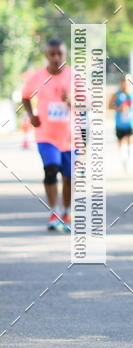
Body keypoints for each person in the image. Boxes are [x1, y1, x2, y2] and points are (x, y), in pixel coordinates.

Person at [21, 38, 73, 232]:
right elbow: (25, 96)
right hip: (46, 136)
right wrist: (31, 115)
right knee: (51, 170)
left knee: (68, 177)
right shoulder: (37, 77)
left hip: (70, 137)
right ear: (46, 55)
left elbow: (89, 103)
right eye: (52, 54)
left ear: (65, 54)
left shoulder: (74, 76)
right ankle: (55, 211)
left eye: (60, 53)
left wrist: (71, 102)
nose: (56, 57)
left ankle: (67, 212)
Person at [109, 77, 133, 170]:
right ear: (120, 83)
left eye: (127, 83)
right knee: (121, 144)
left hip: (130, 123)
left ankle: (130, 161)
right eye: (123, 83)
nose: (125, 85)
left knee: (130, 141)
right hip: (119, 124)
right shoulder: (117, 94)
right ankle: (124, 162)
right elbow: (109, 106)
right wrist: (119, 108)